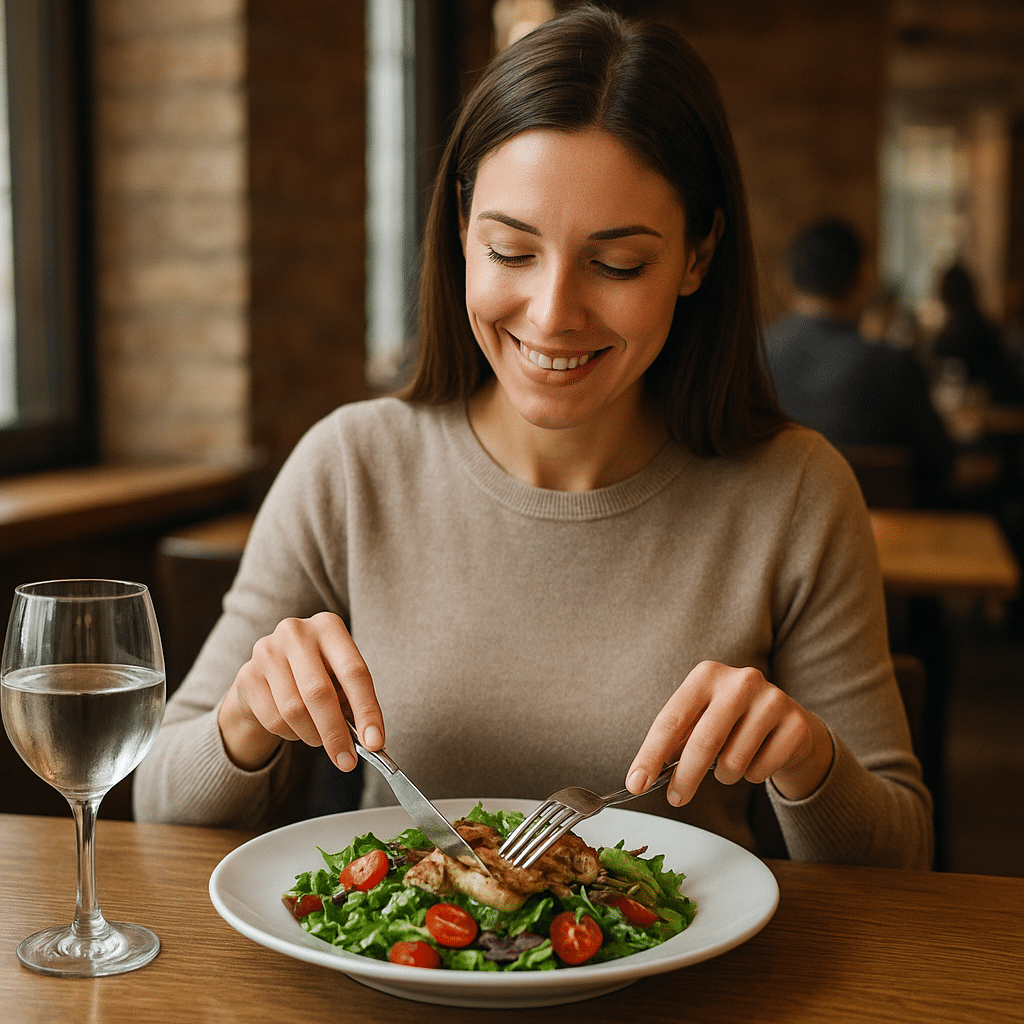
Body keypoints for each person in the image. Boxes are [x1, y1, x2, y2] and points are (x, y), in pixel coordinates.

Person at [134, 6, 931, 869]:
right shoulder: (350, 465)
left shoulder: (797, 491)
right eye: (511, 252)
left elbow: (902, 856)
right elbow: (159, 801)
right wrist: (246, 717)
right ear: (461, 231)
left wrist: (809, 761)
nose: (552, 316)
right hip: (396, 983)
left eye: (618, 265)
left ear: (699, 256)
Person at [765, 219, 953, 508]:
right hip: (883, 537)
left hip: (772, 532)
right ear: (864, 277)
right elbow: (938, 461)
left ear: (785, 281)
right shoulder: (894, 364)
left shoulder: (748, 357)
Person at [932, 262, 1024, 407]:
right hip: (997, 399)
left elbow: (941, 350)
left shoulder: (968, 326)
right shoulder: (975, 321)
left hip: (999, 405)